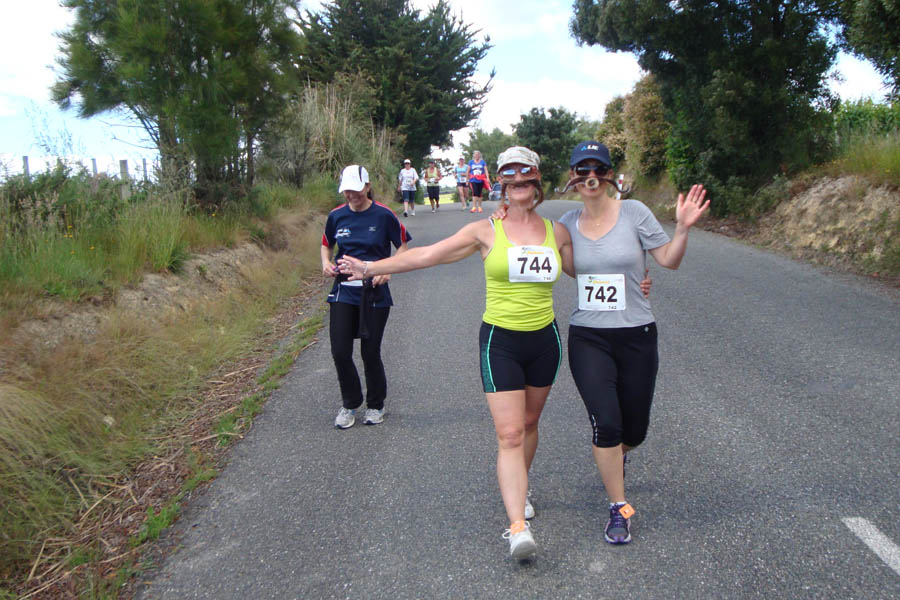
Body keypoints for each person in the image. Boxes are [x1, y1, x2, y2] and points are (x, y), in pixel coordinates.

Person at [340, 147, 570, 561]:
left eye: (526, 175)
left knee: (530, 422)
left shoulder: (559, 232)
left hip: (545, 340)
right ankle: (518, 528)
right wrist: (371, 268)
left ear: (536, 180)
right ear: (501, 183)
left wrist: (636, 276)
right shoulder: (485, 230)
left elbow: (589, 267)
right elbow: (429, 254)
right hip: (500, 341)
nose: (519, 182)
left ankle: (522, 485)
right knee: (510, 433)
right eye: (510, 176)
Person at [559, 141, 709, 545]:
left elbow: (669, 260)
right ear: (573, 176)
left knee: (635, 431)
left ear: (610, 175)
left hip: (637, 333)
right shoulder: (565, 224)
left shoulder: (635, 212)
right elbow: (532, 242)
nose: (591, 176)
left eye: (599, 169)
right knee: (607, 423)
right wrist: (503, 212)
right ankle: (618, 507)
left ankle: (617, 456)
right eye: (583, 169)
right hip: (588, 336)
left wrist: (683, 229)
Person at [322, 165, 412, 429]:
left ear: (368, 186)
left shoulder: (384, 215)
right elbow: (326, 244)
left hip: (373, 290)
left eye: (356, 190)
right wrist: (326, 262)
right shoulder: (336, 216)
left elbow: (403, 247)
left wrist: (387, 270)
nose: (352, 195)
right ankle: (350, 404)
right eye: (347, 191)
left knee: (370, 351)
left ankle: (376, 405)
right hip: (343, 290)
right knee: (340, 351)